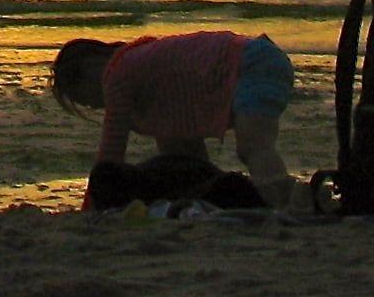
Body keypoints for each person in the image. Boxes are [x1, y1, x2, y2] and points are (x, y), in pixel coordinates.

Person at [50, 30, 298, 210]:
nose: (92, 105)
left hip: (250, 63)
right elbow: (185, 156)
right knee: (182, 162)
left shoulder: (118, 73)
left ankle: (282, 201)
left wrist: (91, 207)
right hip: (253, 57)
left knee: (253, 145)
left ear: (87, 72)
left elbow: (111, 154)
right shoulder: (146, 76)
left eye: (82, 98)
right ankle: (274, 196)